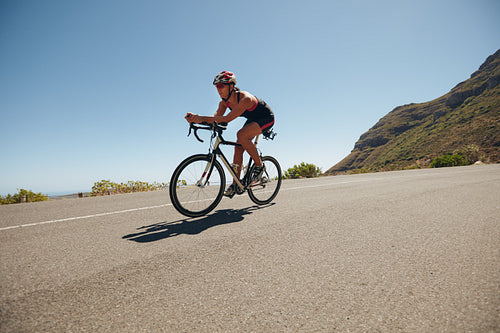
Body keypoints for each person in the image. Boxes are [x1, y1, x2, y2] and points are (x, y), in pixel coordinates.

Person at [185, 70, 275, 197]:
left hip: (266, 118)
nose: (218, 89)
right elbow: (217, 117)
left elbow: (226, 119)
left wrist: (201, 117)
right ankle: (236, 184)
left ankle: (260, 166)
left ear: (231, 86)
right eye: (217, 86)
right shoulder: (223, 103)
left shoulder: (245, 99)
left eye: (221, 86)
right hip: (253, 120)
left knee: (241, 135)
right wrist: (197, 121)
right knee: (238, 148)